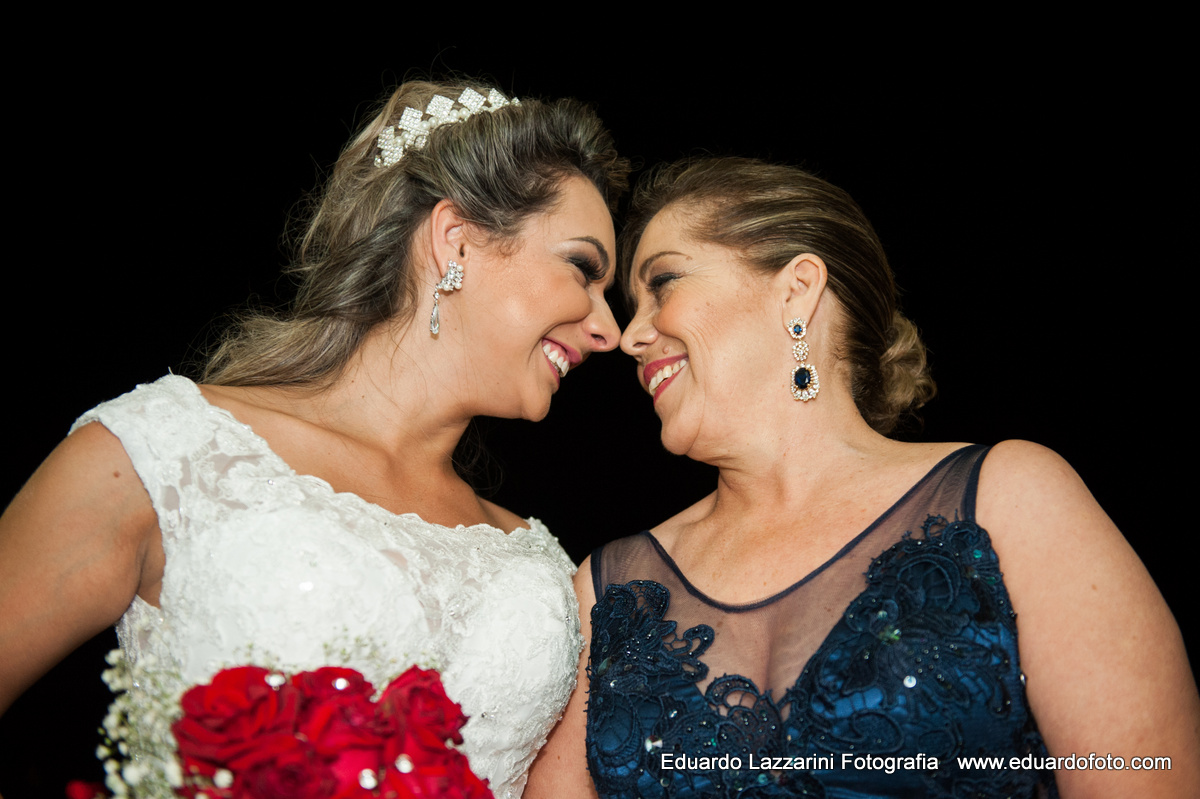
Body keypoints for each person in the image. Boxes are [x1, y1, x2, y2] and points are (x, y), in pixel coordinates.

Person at [0, 79, 628, 798]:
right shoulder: (170, 451)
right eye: (582, 269)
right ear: (456, 238)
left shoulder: (538, 560)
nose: (607, 328)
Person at [525, 157, 1199, 798]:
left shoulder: (1007, 499)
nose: (631, 333)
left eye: (663, 283)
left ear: (797, 289)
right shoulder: (608, 591)